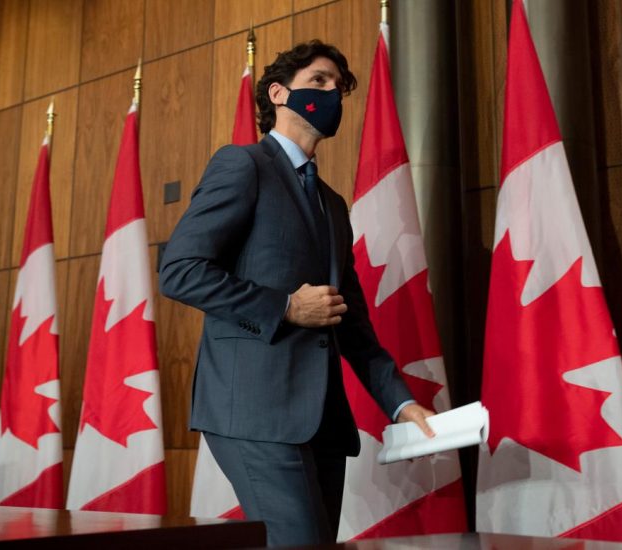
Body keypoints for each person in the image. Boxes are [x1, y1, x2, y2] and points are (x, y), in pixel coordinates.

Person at [159, 40, 435, 547]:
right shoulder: (243, 165)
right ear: (279, 93)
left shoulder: (332, 203)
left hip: (322, 421)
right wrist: (285, 306)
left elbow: (348, 320)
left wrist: (401, 404)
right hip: (254, 410)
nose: (333, 94)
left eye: (339, 87)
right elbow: (180, 270)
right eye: (320, 82)